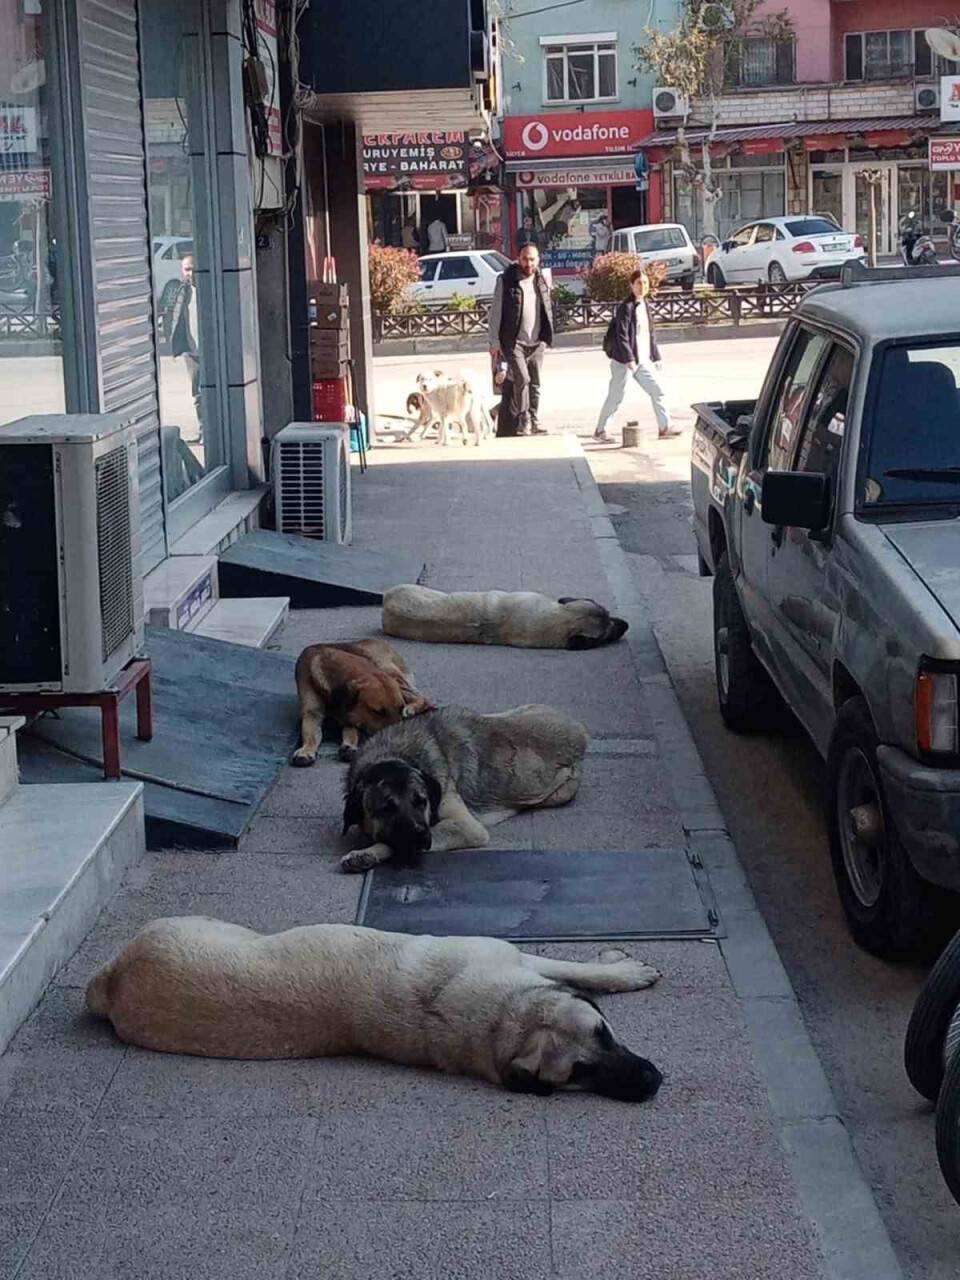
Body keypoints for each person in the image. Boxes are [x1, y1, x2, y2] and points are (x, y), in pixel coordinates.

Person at [594, 268, 679, 444]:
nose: (643, 287)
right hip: (624, 361)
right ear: (631, 285)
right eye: (639, 283)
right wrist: (629, 360)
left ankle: (664, 427)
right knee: (616, 396)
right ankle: (601, 430)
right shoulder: (626, 307)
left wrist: (656, 357)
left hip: (642, 360)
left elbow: (650, 334)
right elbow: (622, 336)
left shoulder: (645, 305)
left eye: (646, 283)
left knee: (658, 391)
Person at [488, 242, 554, 437]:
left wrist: (548, 335)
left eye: (532, 259)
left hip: (537, 341)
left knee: (535, 382)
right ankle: (523, 420)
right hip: (514, 341)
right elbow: (496, 312)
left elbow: (547, 308)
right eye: (525, 259)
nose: (528, 263)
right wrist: (494, 342)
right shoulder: (506, 281)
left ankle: (534, 419)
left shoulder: (542, 280)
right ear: (518, 259)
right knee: (522, 379)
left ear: (538, 260)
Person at [169, 253, 203, 443]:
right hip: (192, 353)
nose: (190, 273)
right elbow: (174, 318)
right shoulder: (183, 292)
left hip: (209, 351)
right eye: (186, 269)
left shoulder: (208, 289)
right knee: (197, 395)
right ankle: (202, 431)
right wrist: (176, 345)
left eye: (192, 268)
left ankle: (211, 432)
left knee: (210, 392)